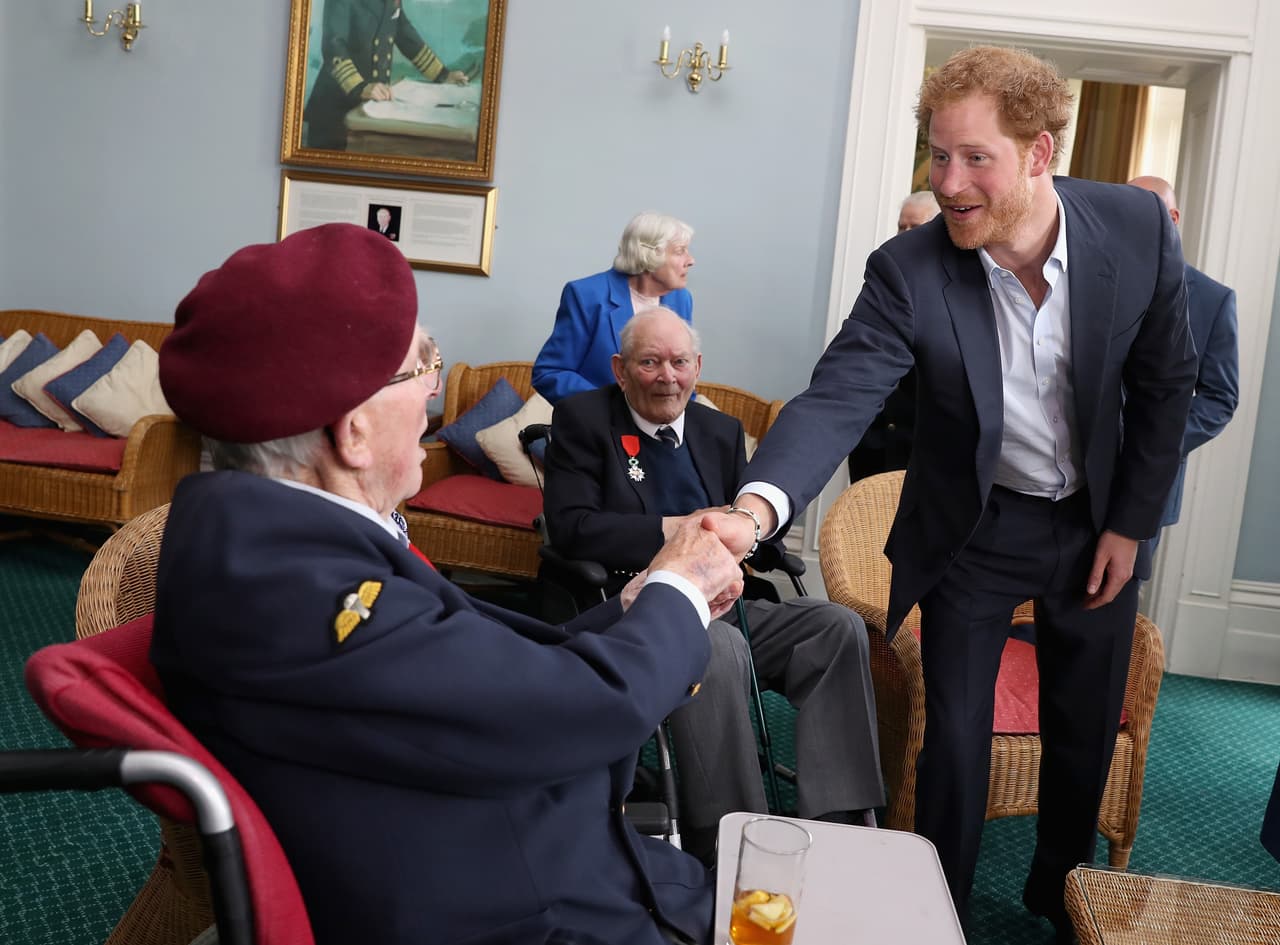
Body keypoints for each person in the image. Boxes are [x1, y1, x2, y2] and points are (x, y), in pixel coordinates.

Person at [151, 223, 748, 945]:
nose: (437, 388)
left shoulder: (271, 542)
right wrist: (679, 589)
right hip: (535, 903)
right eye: (422, 365)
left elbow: (465, 668)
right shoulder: (301, 591)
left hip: (528, 849)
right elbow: (574, 711)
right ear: (355, 432)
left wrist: (628, 607)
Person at [715, 46, 1197, 941]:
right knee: (955, 742)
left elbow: (1169, 384)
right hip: (976, 529)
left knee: (1083, 729)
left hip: (1097, 523)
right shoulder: (910, 269)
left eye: (975, 157)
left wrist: (1130, 524)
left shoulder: (1135, 229)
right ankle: (932, 909)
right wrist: (756, 509)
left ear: (1041, 153)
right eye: (938, 156)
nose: (949, 181)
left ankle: (1060, 896)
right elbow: (837, 397)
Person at [542, 307, 884, 863]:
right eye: (649, 362)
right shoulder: (583, 420)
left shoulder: (718, 430)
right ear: (620, 369)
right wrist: (678, 529)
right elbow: (573, 529)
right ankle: (734, 839)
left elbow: (755, 532)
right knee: (717, 646)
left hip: (727, 601)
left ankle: (840, 822)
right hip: (638, 607)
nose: (667, 377)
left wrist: (751, 537)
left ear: (697, 366)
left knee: (836, 627)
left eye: (679, 362)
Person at [1127, 175, 1239, 557]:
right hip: (1067, 480)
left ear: (1172, 219)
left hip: (1147, 484)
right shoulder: (1088, 281)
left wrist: (1154, 439)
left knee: (1115, 604)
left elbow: (1220, 400)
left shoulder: (1214, 299)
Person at [533, 212, 695, 404]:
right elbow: (549, 373)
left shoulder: (681, 299)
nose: (690, 260)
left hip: (661, 425)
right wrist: (612, 407)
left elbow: (683, 368)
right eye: (680, 251)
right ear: (650, 254)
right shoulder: (586, 295)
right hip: (599, 426)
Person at [846, 192, 942, 483]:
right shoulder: (886, 276)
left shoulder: (959, 287)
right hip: (875, 443)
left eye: (916, 227)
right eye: (902, 227)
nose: (906, 235)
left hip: (923, 450)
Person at [303, 0, 470, 151]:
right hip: (334, 109)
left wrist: (442, 74)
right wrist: (359, 87)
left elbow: (405, 34)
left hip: (373, 105)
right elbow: (333, 45)